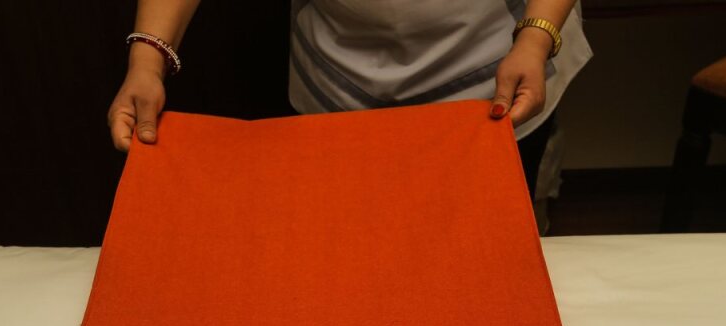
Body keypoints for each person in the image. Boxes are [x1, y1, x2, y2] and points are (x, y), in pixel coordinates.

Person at [108, 1, 590, 205]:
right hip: (336, 76)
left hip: (495, 65)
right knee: (349, 253)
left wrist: (536, 39)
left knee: (484, 258)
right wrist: (148, 60)